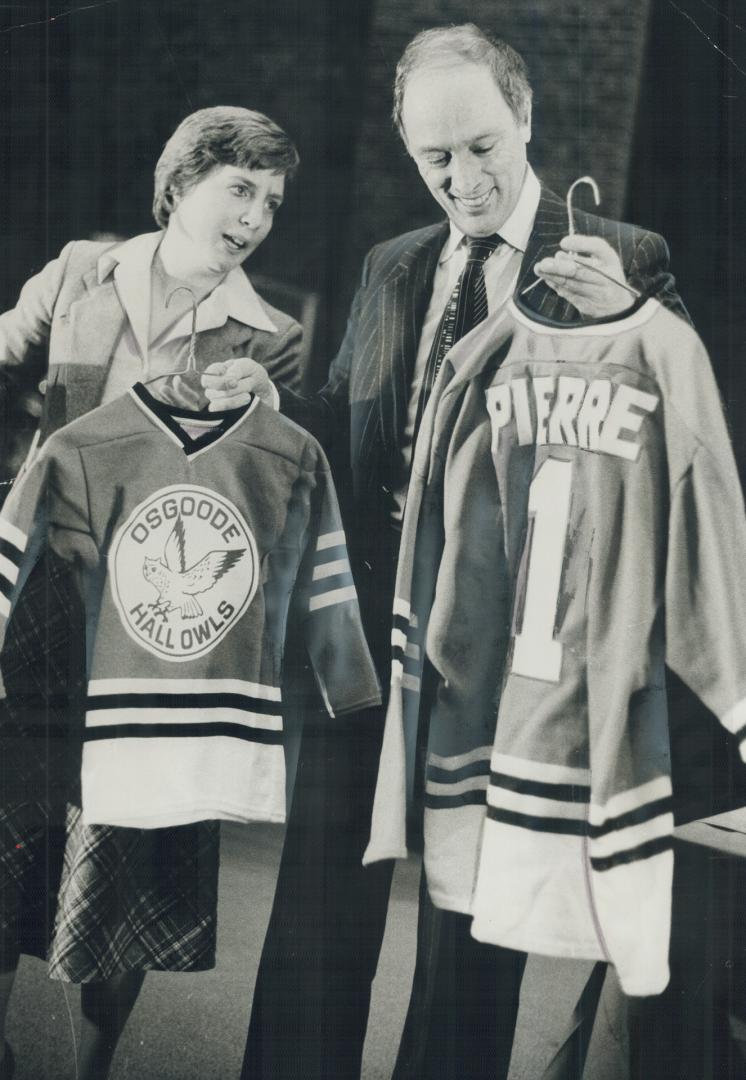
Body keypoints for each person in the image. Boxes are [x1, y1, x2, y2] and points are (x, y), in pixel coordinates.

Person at [208, 24, 689, 1080]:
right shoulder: (391, 265)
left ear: (523, 117)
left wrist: (636, 325)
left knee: (473, 911)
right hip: (366, 623)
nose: (460, 179)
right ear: (404, 145)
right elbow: (348, 424)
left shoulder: (620, 257)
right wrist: (269, 404)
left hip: (514, 635)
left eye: (480, 147)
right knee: (318, 906)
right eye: (435, 159)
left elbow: (678, 444)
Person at [0, 105, 301, 1080]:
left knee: (124, 870)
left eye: (271, 200)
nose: (255, 216)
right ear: (182, 185)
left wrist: (272, 405)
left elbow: (273, 494)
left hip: (160, 638)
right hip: (42, 614)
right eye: (239, 189)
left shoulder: (272, 340)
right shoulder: (83, 272)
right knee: (10, 842)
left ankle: (94, 1072)